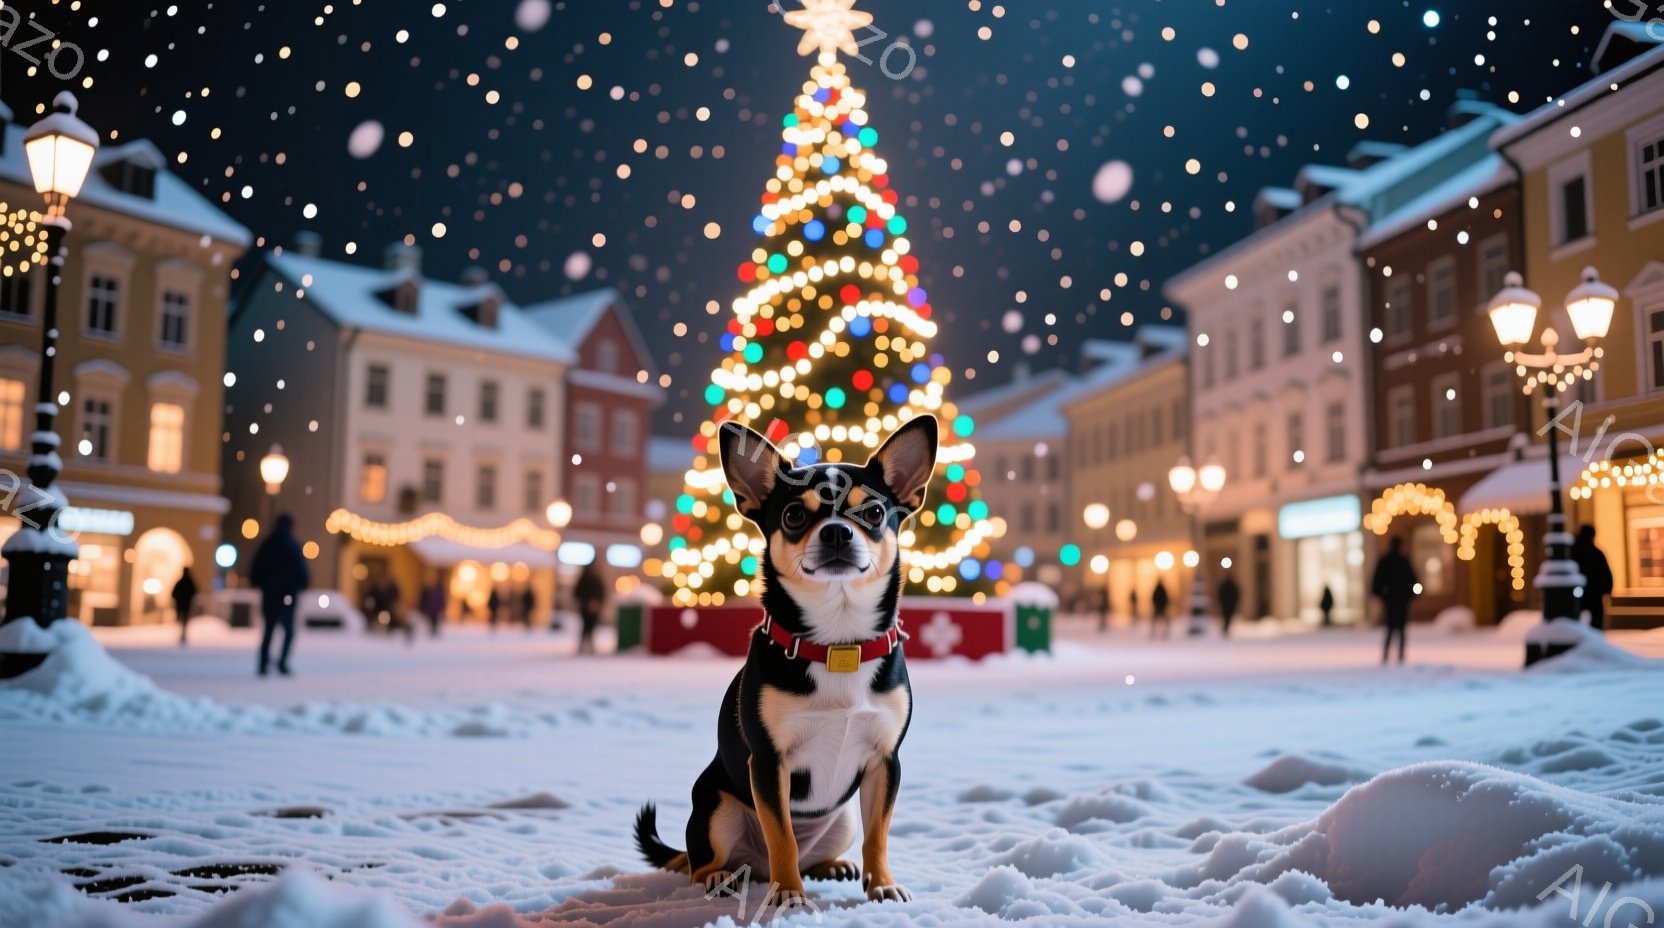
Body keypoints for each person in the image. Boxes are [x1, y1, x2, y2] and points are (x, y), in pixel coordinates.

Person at [250, 513, 309, 677]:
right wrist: (303, 584)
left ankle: (263, 664)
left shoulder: (268, 543)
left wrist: (262, 584)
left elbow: (256, 568)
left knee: (269, 630)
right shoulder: (292, 545)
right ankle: (282, 662)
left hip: (270, 594)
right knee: (288, 630)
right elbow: (301, 568)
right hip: (287, 595)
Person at [1371, 537, 1419, 664]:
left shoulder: (1386, 561)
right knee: (1400, 629)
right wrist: (1410, 595)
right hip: (1400, 599)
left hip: (1391, 599)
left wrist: (1382, 595)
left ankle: (1388, 655)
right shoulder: (1403, 561)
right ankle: (1399, 655)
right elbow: (1413, 580)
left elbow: (1377, 581)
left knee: (1391, 628)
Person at [1571, 524, 1614, 631]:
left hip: (1577, 593)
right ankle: (1595, 638)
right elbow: (1606, 575)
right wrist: (1607, 591)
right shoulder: (1597, 553)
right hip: (1595, 594)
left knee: (1575, 621)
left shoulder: (1572, 552)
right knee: (1596, 622)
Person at [574, 564, 606, 655]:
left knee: (587, 626)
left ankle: (585, 645)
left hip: (586, 607)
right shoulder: (595, 580)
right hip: (590, 607)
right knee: (589, 626)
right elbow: (602, 593)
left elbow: (576, 593)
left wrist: (584, 602)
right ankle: (588, 645)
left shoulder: (584, 579)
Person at [171, 567, 199, 646]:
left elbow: (173, 594)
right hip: (187, 605)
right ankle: (183, 633)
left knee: (181, 619)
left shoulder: (179, 582)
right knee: (185, 620)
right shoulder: (190, 582)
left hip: (180, 605)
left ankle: (182, 634)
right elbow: (195, 592)